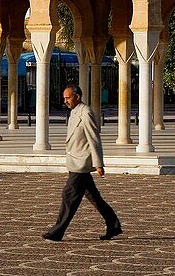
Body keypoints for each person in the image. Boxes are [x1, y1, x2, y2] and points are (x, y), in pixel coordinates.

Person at [42, 85, 122, 242]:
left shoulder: (86, 112)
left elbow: (94, 138)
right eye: (64, 98)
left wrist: (98, 163)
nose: (65, 101)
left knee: (69, 195)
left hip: (81, 162)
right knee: (94, 197)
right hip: (75, 161)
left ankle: (57, 231)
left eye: (68, 97)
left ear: (77, 96)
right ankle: (113, 224)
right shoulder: (74, 112)